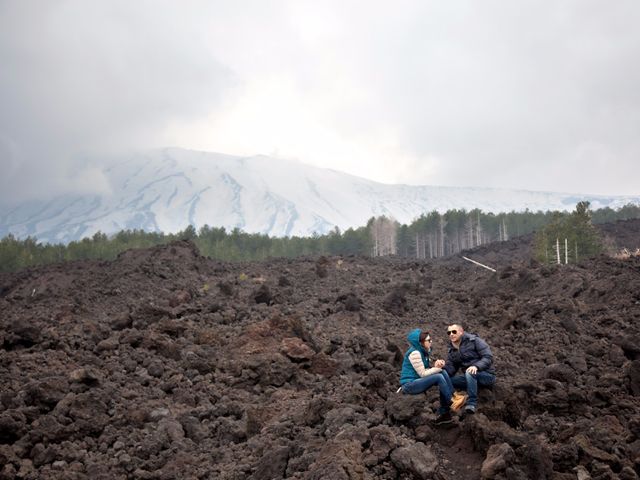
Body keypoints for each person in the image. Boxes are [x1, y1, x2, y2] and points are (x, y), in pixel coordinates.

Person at [435, 324, 496, 415]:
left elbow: (488, 357)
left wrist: (476, 366)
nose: (451, 334)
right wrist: (441, 367)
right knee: (443, 380)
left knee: (469, 372)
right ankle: (444, 408)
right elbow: (451, 370)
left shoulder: (475, 341)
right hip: (469, 379)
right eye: (449, 332)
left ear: (461, 332)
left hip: (486, 375)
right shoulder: (452, 350)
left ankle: (471, 403)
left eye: (454, 331)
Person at [399, 328, 454, 425]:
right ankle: (452, 401)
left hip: (416, 381)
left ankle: (447, 405)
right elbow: (423, 373)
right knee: (438, 376)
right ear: (420, 343)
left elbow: (427, 369)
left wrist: (437, 366)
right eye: (428, 340)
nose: (431, 341)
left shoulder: (423, 352)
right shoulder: (415, 353)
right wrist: (437, 369)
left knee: (442, 372)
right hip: (409, 385)